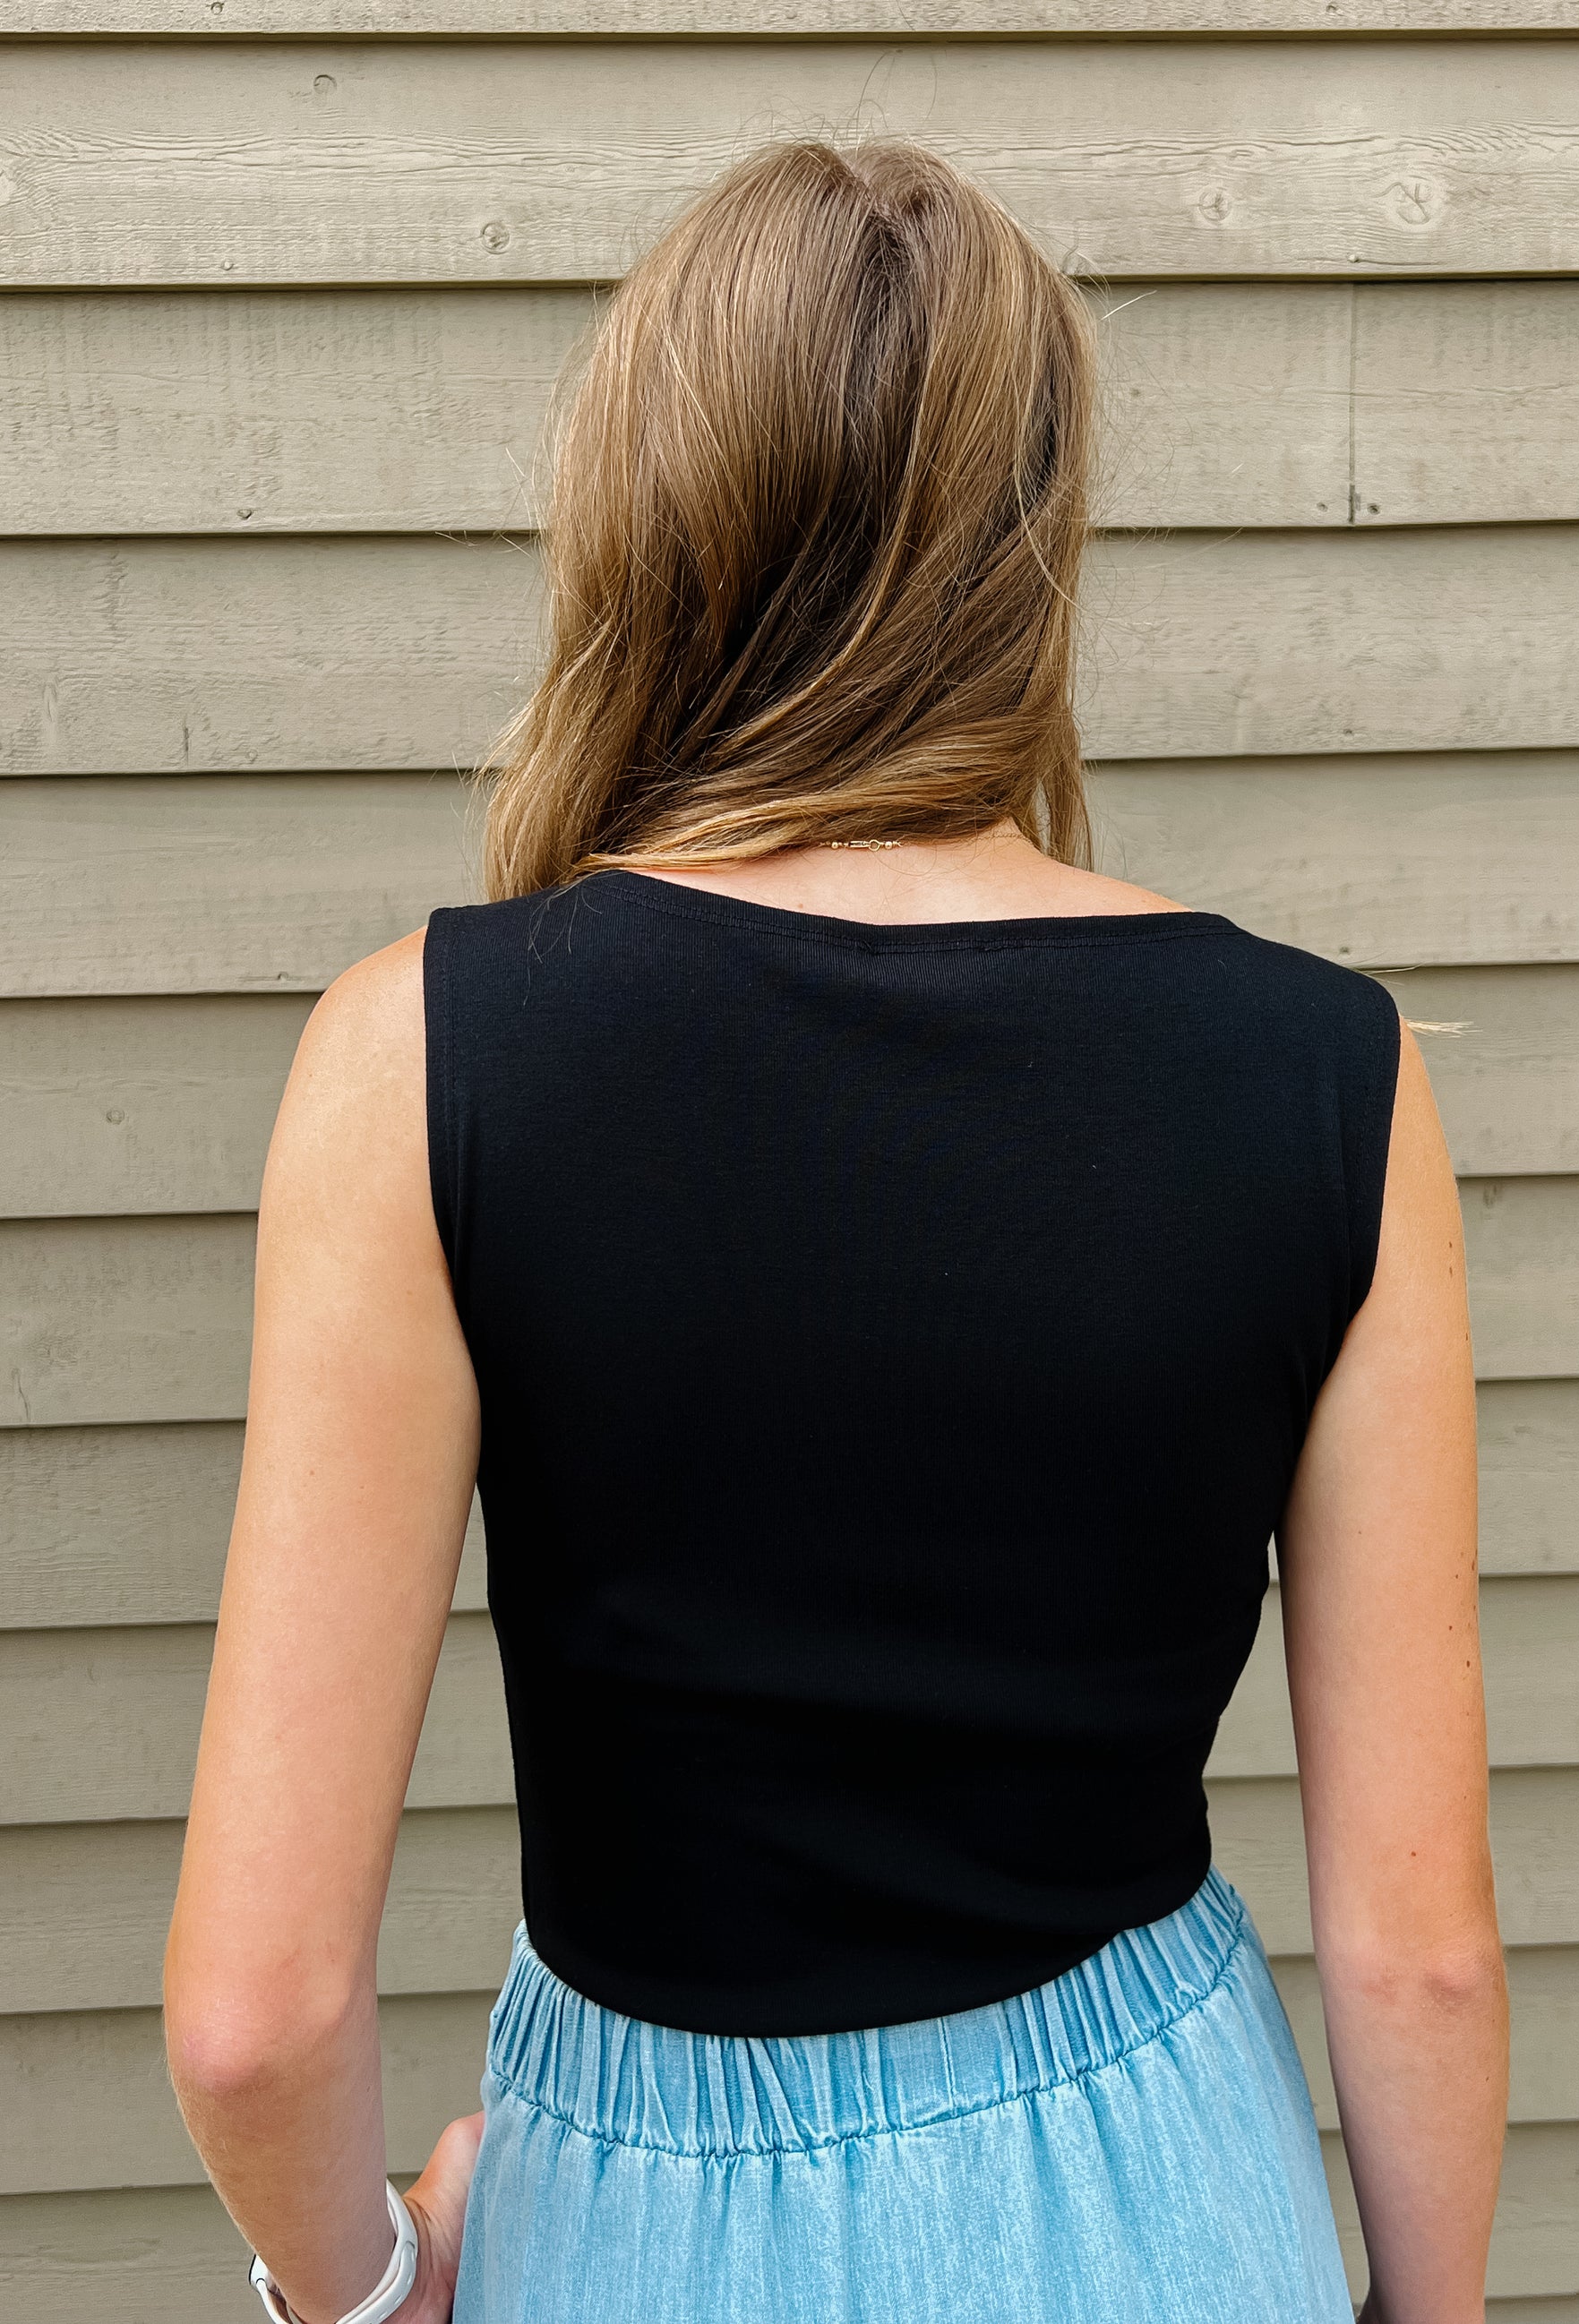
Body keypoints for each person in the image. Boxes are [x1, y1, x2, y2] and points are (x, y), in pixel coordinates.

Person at [163, 139, 1507, 2324]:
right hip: (1166, 2182)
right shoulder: (1329, 1073)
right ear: (1030, 536)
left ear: (651, 509)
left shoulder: (422, 1059)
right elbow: (1420, 1945)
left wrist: (367, 2284)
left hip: (652, 2218)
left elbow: (254, 2015)